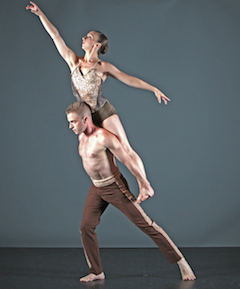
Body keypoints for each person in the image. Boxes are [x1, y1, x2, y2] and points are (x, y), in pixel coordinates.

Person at [26, 1, 171, 177]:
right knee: (105, 154)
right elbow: (56, 36)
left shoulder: (103, 67)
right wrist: (40, 14)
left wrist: (153, 88)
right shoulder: (74, 61)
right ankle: (109, 186)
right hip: (86, 116)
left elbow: (129, 79)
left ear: (96, 45)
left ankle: (144, 184)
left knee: (125, 147)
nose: (83, 38)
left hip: (103, 111)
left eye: (88, 37)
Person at [65, 101, 196, 283]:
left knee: (146, 224)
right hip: (96, 187)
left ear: (85, 119)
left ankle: (181, 262)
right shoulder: (81, 137)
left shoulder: (103, 137)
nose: (70, 126)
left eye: (73, 122)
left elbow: (127, 158)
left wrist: (144, 183)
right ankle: (96, 271)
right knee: (86, 227)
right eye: (69, 122)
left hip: (114, 186)